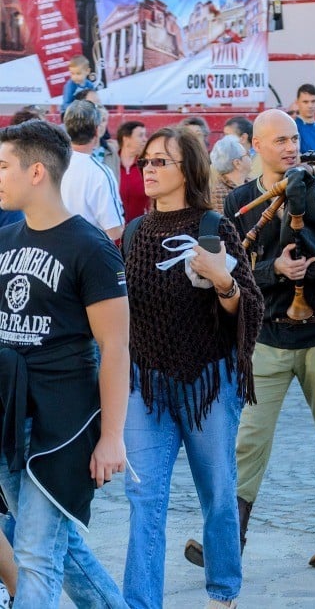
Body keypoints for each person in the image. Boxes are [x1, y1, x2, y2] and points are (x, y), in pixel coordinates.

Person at [185, 109, 315, 570]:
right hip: (267, 337)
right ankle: (228, 540)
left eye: (294, 138)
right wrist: (275, 271)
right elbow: (228, 268)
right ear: (256, 146)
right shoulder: (242, 201)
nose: (290, 147)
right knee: (247, 441)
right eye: (280, 140)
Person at [121, 127, 263, 609]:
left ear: (189, 171)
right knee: (143, 499)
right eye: (147, 161)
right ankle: (140, 602)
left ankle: (223, 593)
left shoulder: (212, 226)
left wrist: (223, 281)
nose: (151, 169)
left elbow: (251, 306)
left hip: (209, 383)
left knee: (219, 494)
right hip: (147, 387)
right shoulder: (136, 233)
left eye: (162, 161)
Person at [0, 119, 128, 607]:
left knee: (35, 552)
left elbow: (116, 348)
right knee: (60, 545)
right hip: (10, 417)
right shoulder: (6, 239)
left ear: (36, 172)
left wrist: (112, 437)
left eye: (4, 166)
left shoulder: (91, 248)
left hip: (65, 423)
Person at [60, 100, 125, 241]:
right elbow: (115, 230)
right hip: (84, 255)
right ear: (96, 131)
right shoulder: (100, 173)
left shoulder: (50, 164)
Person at [112, 120, 149, 224]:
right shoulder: (110, 164)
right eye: (140, 135)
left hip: (142, 229)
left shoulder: (147, 165)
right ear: (126, 139)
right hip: (114, 231)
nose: (145, 139)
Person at [209, 135, 253, 214]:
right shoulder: (219, 193)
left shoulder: (253, 183)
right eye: (248, 154)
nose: (251, 157)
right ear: (237, 163)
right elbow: (224, 224)